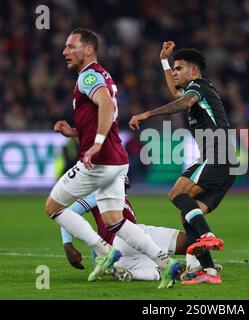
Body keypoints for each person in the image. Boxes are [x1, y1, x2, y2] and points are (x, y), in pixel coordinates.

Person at [45, 28, 180, 288]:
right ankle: (166, 263)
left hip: (99, 161)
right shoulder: (103, 75)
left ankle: (105, 252)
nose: (65, 51)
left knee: (53, 207)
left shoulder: (88, 77)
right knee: (115, 221)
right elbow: (102, 114)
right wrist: (74, 132)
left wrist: (95, 145)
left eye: (71, 46)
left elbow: (106, 105)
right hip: (118, 161)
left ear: (88, 50)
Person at [129, 42, 236, 284]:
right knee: (188, 215)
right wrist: (164, 62)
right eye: (174, 69)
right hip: (225, 164)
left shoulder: (200, 86)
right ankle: (208, 271)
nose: (175, 73)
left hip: (217, 156)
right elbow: (177, 94)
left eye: (179, 68)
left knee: (176, 192)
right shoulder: (195, 90)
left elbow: (183, 102)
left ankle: (207, 233)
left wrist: (147, 114)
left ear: (194, 71)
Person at [60, 191, 199, 282]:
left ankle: (130, 274)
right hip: (126, 237)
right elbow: (68, 214)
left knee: (160, 270)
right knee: (193, 239)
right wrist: (67, 245)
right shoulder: (101, 191)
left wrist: (97, 260)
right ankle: (195, 269)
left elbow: (98, 234)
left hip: (118, 254)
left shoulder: (114, 194)